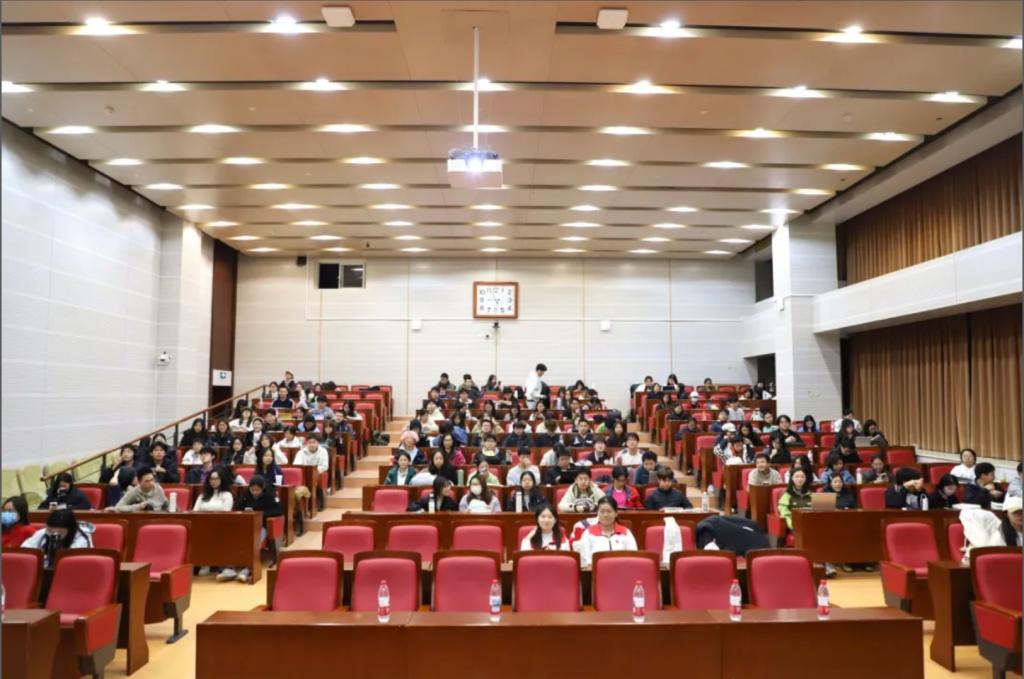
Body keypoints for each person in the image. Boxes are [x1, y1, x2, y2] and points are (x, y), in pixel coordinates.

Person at [235, 475, 284, 581]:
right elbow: (237, 508)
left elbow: (279, 511)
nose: (254, 492)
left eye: (257, 490)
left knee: (254, 542)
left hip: (262, 526)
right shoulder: (245, 494)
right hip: (246, 525)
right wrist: (245, 512)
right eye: (252, 489)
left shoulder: (270, 494)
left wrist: (259, 514)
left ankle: (247, 569)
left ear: (263, 488)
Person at [575, 497, 638, 567]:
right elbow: (585, 559)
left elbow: (633, 556)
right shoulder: (588, 533)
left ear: (616, 513)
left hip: (622, 570)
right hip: (596, 571)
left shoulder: (626, 532)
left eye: (609, 511)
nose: (605, 515)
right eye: (602, 511)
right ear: (597, 513)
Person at [21, 509, 95, 564]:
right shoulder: (42, 533)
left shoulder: (83, 539)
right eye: (50, 530)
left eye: (60, 532)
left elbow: (73, 560)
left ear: (70, 530)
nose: (53, 534)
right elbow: (25, 549)